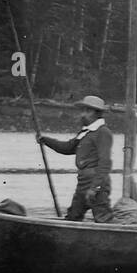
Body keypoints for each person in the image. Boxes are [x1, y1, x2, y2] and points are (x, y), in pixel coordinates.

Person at [37, 95, 115, 223]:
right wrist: (45, 140)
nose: (82, 114)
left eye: (87, 111)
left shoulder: (103, 132)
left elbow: (105, 163)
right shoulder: (85, 133)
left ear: (96, 113)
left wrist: (95, 188)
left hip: (96, 182)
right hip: (83, 182)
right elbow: (67, 147)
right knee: (73, 216)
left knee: (103, 218)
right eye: (82, 110)